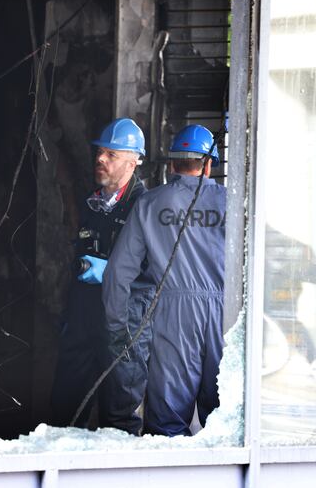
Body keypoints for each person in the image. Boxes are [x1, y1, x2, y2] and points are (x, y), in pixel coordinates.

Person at [103, 124, 226, 437]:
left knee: (167, 424)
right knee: (226, 422)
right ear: (209, 163)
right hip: (225, 316)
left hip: (173, 315)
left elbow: (119, 271)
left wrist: (117, 326)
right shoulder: (231, 202)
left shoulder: (149, 204)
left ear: (172, 165)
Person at [50, 117, 153, 434]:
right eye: (100, 152)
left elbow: (159, 271)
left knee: (119, 422)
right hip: (83, 320)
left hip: (124, 325)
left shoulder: (146, 207)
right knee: (64, 417)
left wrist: (111, 273)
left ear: (133, 160)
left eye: (111, 154)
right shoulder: (91, 203)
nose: (100, 159)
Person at [264, 225, 316, 381]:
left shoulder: (258, 231)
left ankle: (256, 363)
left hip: (274, 284)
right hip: (285, 284)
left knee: (259, 321)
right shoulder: (277, 237)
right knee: (287, 322)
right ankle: (315, 361)